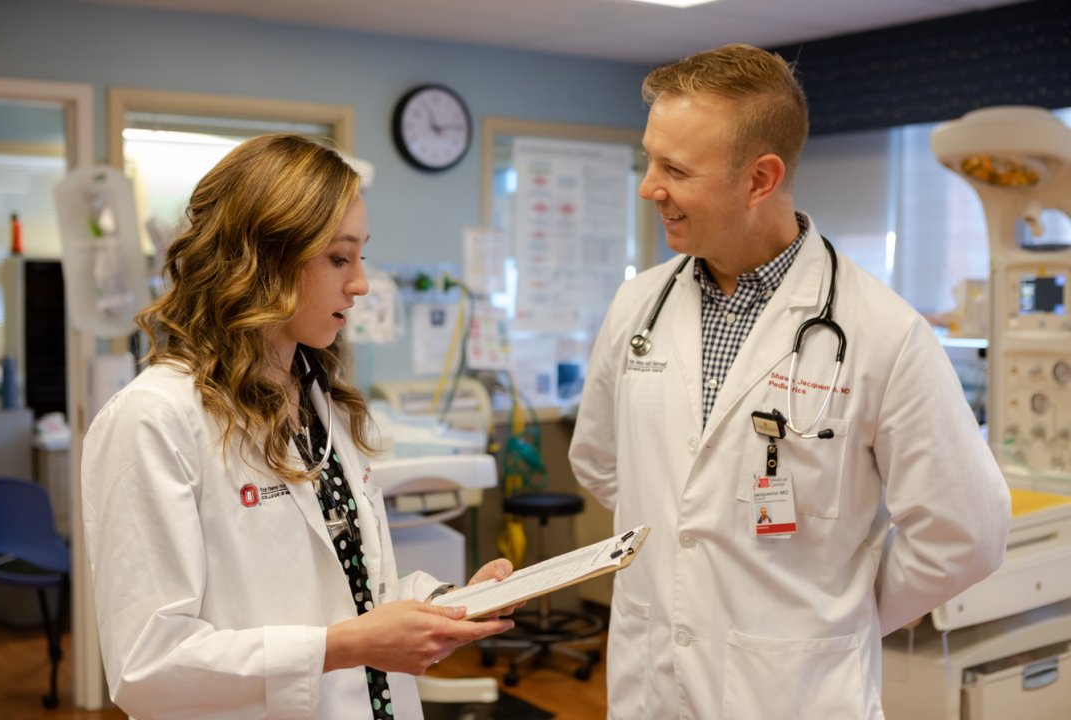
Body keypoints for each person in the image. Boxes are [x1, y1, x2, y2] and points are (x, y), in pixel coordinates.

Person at [568, 44, 1011, 718]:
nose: (648, 187)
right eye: (650, 160)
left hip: (797, 693)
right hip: (651, 684)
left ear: (760, 179)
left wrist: (835, 615)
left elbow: (966, 532)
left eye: (675, 169)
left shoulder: (882, 332)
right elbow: (603, 463)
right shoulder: (638, 306)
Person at [81, 133, 515, 720]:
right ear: (263, 259)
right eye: (338, 258)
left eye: (361, 257)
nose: (360, 283)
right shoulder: (153, 420)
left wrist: (446, 604)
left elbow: (355, 582)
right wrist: (345, 646)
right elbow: (147, 667)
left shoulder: (318, 401)